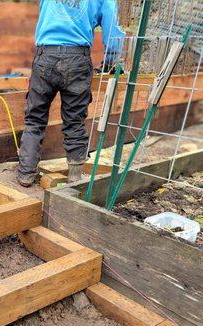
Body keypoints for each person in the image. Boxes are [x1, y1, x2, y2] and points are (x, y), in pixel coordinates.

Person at [18, 0, 125, 187]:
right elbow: (113, 35)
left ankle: (26, 175)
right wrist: (110, 61)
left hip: (46, 56)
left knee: (35, 118)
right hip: (77, 58)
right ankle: (75, 177)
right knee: (74, 120)